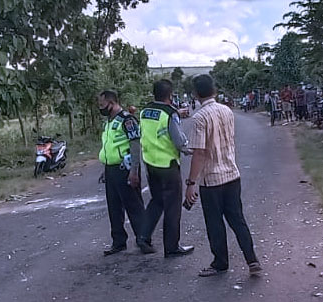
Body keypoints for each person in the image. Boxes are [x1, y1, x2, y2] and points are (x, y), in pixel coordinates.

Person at [183, 75, 261, 277]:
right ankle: (252, 260)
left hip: (211, 180)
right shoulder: (227, 111)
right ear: (214, 91)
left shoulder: (199, 118)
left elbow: (199, 153)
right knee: (238, 220)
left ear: (195, 94)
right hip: (232, 174)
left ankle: (220, 263)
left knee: (215, 223)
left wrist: (191, 183)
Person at [140, 79, 195, 258]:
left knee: (156, 201)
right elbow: (179, 141)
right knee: (172, 206)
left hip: (150, 163)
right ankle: (171, 247)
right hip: (168, 165)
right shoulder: (170, 113)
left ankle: (143, 236)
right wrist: (190, 149)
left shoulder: (145, 111)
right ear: (170, 96)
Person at [97, 89, 151, 256]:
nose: (100, 108)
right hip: (111, 169)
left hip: (125, 169)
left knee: (134, 206)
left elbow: (135, 145)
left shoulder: (127, 120)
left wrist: (134, 171)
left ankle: (144, 240)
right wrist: (105, 169)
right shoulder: (109, 122)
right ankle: (118, 242)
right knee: (114, 208)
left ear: (111, 103)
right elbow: (109, 147)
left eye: (102, 104)